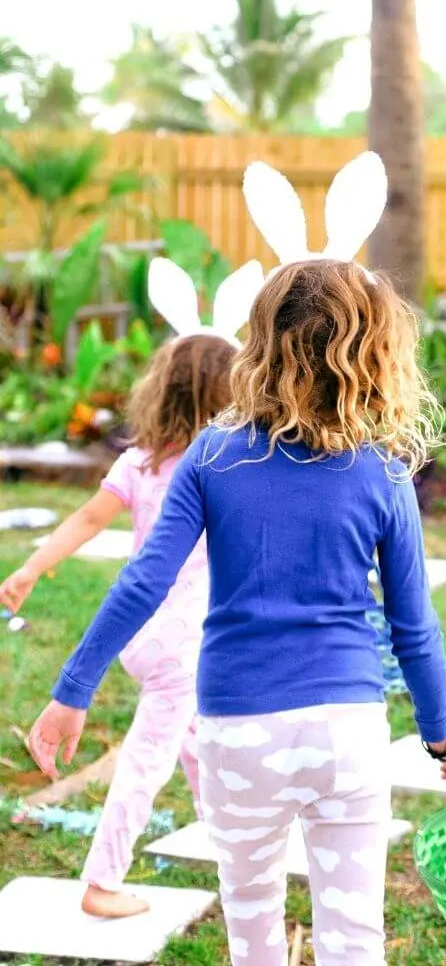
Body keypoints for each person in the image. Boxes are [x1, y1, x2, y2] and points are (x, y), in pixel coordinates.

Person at [27, 258, 446, 964]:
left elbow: (145, 580)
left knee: (254, 938)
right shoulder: (383, 469)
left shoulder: (212, 455)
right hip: (346, 732)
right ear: (373, 351)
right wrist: (441, 739)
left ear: (261, 345)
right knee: (355, 941)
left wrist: (71, 691)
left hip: (240, 732)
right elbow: (412, 626)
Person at [1, 331, 237, 919]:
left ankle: (221, 831)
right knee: (146, 760)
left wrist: (31, 568)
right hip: (184, 640)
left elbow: (86, 519)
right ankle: (102, 882)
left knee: (191, 735)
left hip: (139, 632)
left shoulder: (138, 462)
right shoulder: (223, 465)